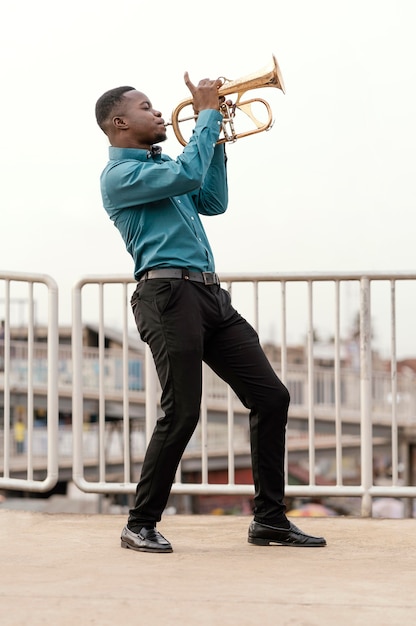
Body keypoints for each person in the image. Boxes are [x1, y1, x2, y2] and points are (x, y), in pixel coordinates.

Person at [95, 73, 326, 553]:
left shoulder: (167, 167)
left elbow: (212, 200)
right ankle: (139, 523)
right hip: (166, 297)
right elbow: (189, 176)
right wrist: (203, 114)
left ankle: (269, 521)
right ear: (119, 123)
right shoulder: (122, 176)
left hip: (210, 298)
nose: (159, 112)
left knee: (271, 397)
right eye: (146, 107)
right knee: (182, 412)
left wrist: (216, 132)